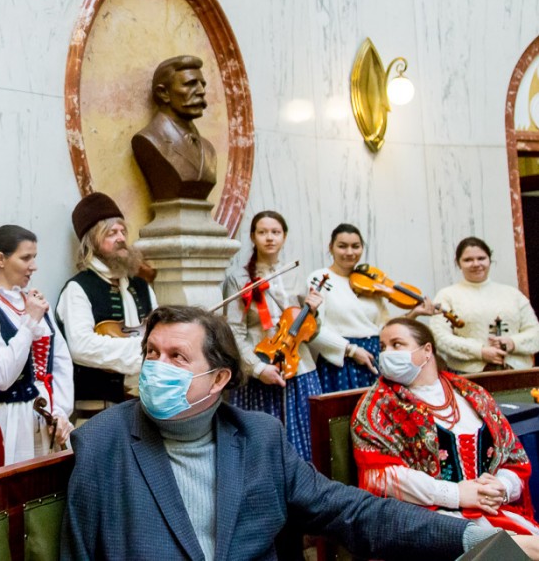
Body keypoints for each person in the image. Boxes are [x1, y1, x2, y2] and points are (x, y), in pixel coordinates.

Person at [60, 305, 539, 560]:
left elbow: (354, 512)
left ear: (219, 378)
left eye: (177, 358)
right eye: (151, 353)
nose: (155, 368)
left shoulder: (259, 438)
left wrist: (473, 537)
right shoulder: (102, 442)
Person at [353, 317, 538, 534]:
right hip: (429, 521)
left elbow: (513, 457)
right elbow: (382, 477)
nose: (386, 354)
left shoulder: (472, 394)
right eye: (383, 347)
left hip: (493, 511)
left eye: (397, 344)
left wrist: (501, 487)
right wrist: (455, 494)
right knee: (510, 547)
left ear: (427, 350)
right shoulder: (378, 405)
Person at [222, 210, 338, 461]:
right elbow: (234, 331)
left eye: (275, 232)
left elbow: (311, 332)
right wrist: (257, 368)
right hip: (259, 368)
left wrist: (313, 312)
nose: (269, 238)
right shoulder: (238, 279)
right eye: (262, 232)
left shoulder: (296, 274)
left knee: (306, 441)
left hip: (299, 368)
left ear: (284, 236)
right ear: (253, 237)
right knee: (261, 445)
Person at [0, 225, 74, 465]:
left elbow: (60, 361)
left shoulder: (35, 303)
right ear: (1, 259)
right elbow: (1, 376)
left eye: (34, 257)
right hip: (11, 421)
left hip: (48, 416)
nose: (34, 266)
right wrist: (29, 323)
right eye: (25, 258)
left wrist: (61, 411)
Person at [56, 192, 157, 409]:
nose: (121, 238)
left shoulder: (142, 286)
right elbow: (81, 346)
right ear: (92, 240)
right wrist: (140, 350)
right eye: (111, 233)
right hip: (97, 409)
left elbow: (158, 332)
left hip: (144, 404)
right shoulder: (78, 289)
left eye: (123, 231)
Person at [308, 223, 433, 393]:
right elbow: (312, 329)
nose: (350, 252)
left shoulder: (369, 281)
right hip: (342, 360)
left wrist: (414, 313)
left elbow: (384, 327)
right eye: (342, 246)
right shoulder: (320, 278)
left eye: (355, 246)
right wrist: (351, 350)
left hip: (375, 355)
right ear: (331, 248)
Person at [431, 237, 539, 373]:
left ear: (489, 260)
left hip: (517, 372)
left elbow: (535, 332)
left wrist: (512, 343)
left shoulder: (513, 294)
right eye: (468, 260)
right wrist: (480, 351)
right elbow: (439, 337)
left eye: (481, 258)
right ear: (458, 263)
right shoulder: (447, 295)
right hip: (469, 374)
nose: (476, 264)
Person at [131, 55, 218, 201]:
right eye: (190, 84)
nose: (201, 91)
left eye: (202, 84)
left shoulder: (208, 149)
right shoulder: (150, 139)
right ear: (163, 93)